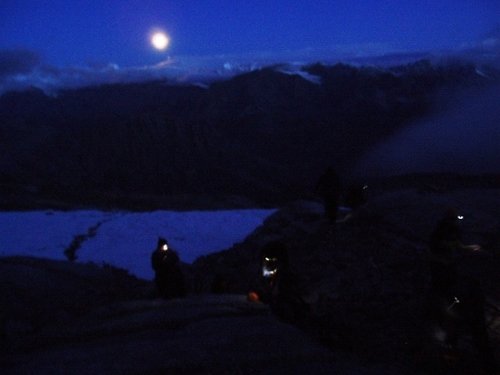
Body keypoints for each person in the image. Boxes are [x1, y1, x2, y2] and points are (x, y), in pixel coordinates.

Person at [427, 208, 496, 373]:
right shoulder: (441, 235)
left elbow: (457, 247)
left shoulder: (449, 233)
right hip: (443, 274)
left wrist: (469, 248)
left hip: (449, 275)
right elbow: (441, 250)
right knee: (450, 313)